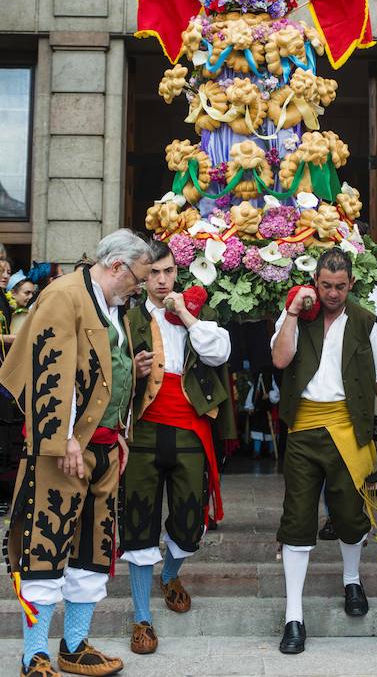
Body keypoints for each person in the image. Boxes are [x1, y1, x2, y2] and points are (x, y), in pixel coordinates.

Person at [0, 228, 152, 677]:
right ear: (117, 266)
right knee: (43, 547)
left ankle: (75, 645)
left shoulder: (113, 304)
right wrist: (62, 438)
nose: (140, 287)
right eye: (138, 278)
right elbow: (50, 370)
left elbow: (110, 372)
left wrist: (120, 428)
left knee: (91, 549)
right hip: (63, 449)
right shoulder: (64, 295)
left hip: (103, 447)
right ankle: (34, 654)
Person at [271, 248, 377, 655]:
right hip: (303, 428)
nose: (332, 293)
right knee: (297, 518)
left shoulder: (366, 319)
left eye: (340, 287)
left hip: (349, 428)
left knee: (350, 513)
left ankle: (352, 579)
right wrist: (293, 313)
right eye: (326, 286)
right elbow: (279, 359)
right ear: (316, 282)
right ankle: (293, 616)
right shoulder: (296, 311)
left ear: (351, 284)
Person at [120, 242, 233, 655]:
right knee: (138, 522)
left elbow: (219, 352)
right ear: (141, 276)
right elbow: (104, 369)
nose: (162, 280)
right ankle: (141, 618)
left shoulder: (199, 315)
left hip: (189, 428)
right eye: (153, 273)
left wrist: (184, 313)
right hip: (144, 430)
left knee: (190, 522)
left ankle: (169, 573)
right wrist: (132, 370)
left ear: (176, 273)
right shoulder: (126, 317)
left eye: (168, 271)